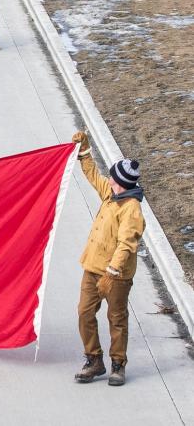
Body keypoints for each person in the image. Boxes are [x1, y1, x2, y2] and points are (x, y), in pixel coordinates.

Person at [71, 131, 145, 388]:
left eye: (113, 179)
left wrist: (111, 273)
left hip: (116, 276)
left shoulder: (131, 209)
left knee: (116, 318)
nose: (109, 181)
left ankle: (118, 365)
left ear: (123, 184)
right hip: (92, 267)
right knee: (84, 312)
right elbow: (93, 175)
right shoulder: (112, 193)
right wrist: (84, 151)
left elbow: (127, 244)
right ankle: (94, 359)